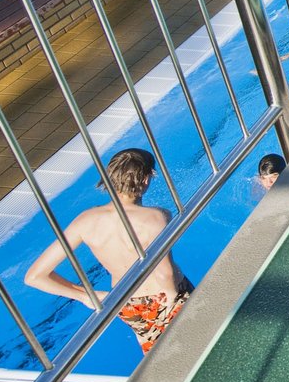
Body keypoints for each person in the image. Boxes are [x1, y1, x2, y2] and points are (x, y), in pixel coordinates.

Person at [24, 148, 193, 354]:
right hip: (168, 296)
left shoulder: (85, 220)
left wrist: (87, 296)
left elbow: (34, 277)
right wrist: (172, 295)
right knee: (199, 348)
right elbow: (164, 271)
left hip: (128, 302)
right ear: (147, 179)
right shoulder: (157, 217)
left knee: (158, 356)